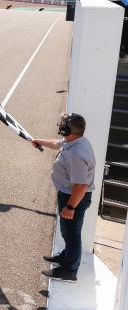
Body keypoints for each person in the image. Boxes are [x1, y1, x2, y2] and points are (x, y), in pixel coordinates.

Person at [32, 113, 95, 282]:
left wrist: (70, 207)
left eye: (62, 125)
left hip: (74, 198)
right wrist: (39, 141)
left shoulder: (76, 154)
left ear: (67, 130)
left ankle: (70, 271)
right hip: (69, 195)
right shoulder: (74, 141)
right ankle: (66, 257)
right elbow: (56, 143)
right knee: (68, 232)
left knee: (72, 234)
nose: (59, 126)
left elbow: (81, 186)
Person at [62, 0, 128, 62]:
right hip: (124, 2)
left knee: (122, 32)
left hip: (122, 6)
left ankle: (123, 55)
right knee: (122, 31)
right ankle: (123, 55)